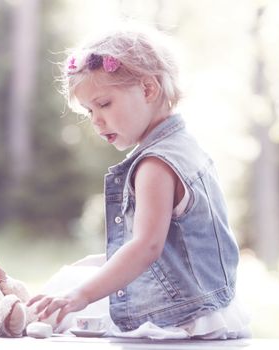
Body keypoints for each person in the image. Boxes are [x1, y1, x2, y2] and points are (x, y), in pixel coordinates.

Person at [27, 24, 250, 339]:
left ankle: (10, 317)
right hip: (209, 301)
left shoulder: (155, 166)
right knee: (73, 276)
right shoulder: (185, 146)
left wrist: (80, 295)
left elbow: (146, 246)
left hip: (178, 313)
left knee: (62, 300)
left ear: (148, 89)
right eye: (89, 111)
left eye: (104, 104)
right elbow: (175, 249)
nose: (96, 120)